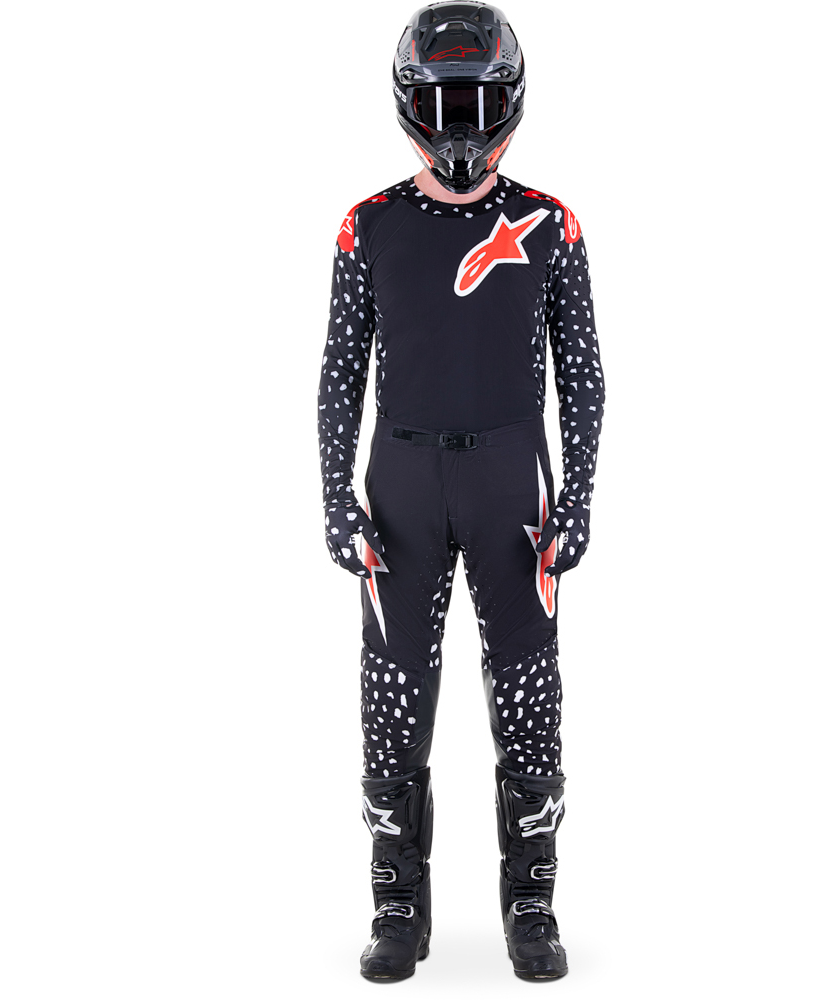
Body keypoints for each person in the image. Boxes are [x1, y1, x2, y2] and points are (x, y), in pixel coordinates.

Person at [318, 2, 604, 981]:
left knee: (528, 689)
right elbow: (338, 372)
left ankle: (532, 902)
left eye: (477, 105)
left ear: (509, 103)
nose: (461, 131)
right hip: (402, 482)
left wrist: (578, 497)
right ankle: (397, 903)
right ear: (410, 105)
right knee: (392, 694)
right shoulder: (367, 226)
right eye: (443, 106)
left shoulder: (551, 223)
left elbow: (585, 375)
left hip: (509, 483)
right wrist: (333, 494)